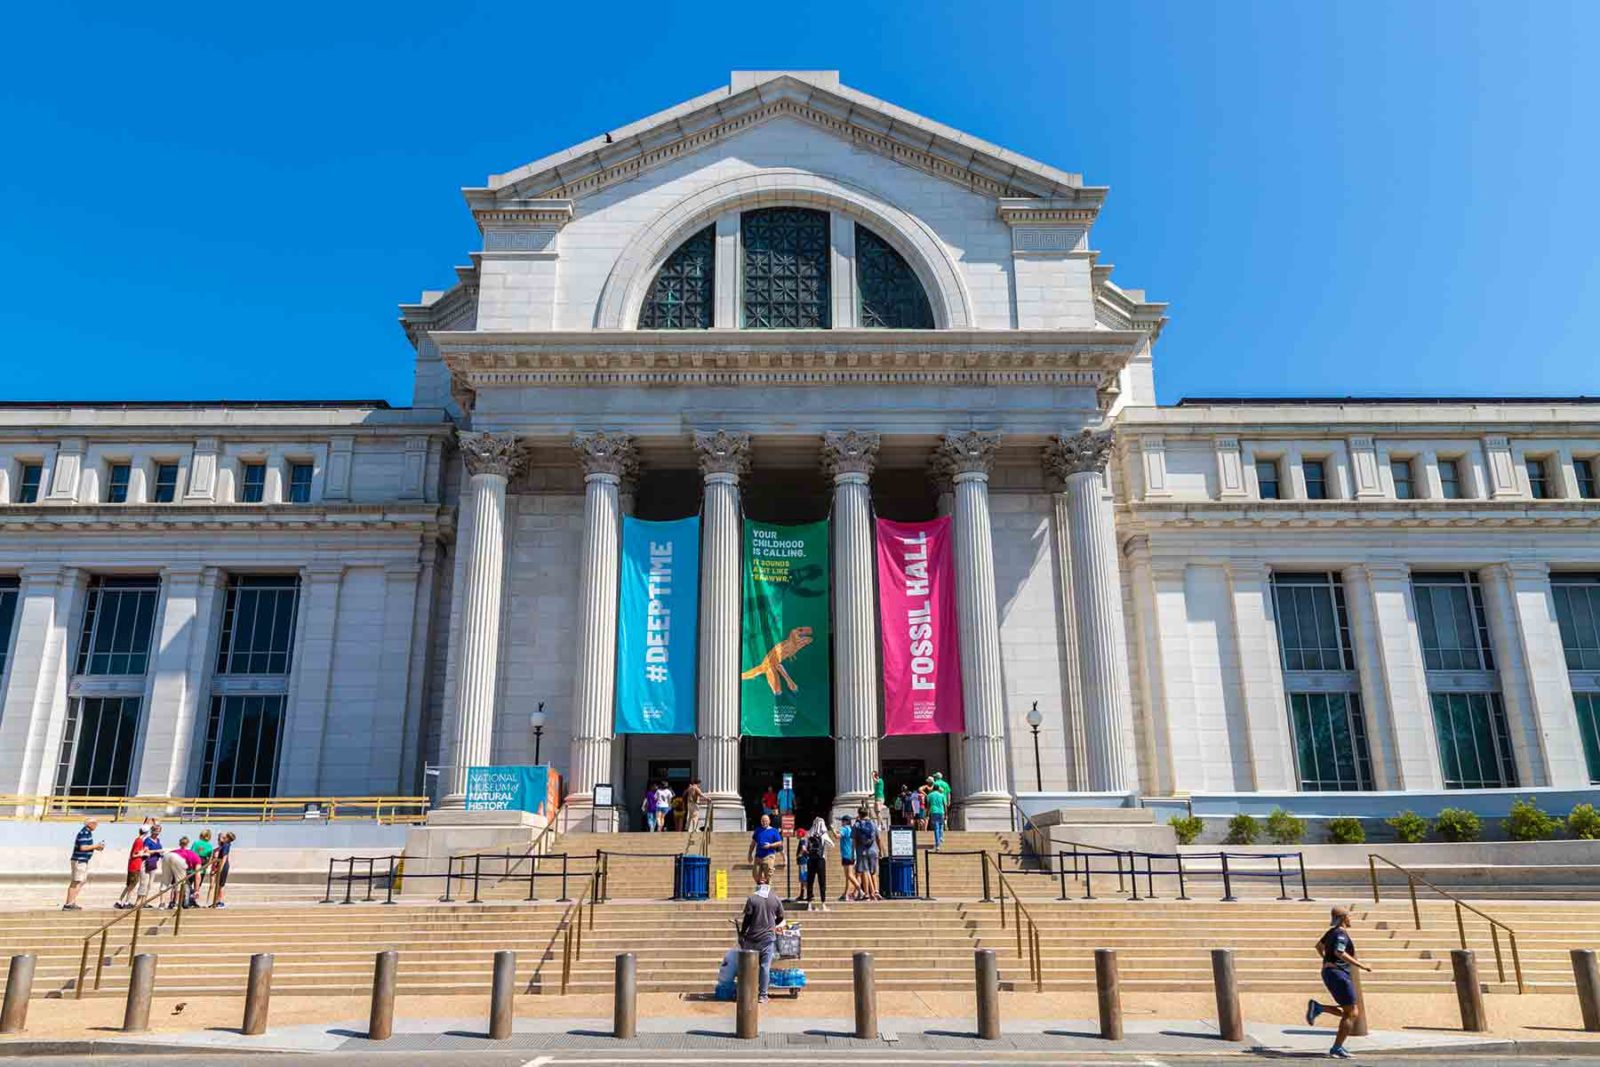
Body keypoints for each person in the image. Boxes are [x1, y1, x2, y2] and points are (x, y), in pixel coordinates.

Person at [1306, 905, 1373, 1059]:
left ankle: (1319, 1008)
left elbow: (1319, 946)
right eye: (1348, 916)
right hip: (1338, 974)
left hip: (1329, 972)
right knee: (1352, 1012)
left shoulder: (1331, 932)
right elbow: (1339, 952)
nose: (1350, 919)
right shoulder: (1341, 934)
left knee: (1349, 1011)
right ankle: (1337, 1048)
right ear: (1344, 918)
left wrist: (1326, 961)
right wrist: (1361, 965)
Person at [737, 881, 786, 1003]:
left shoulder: (752, 899)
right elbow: (781, 916)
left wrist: (742, 933)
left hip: (752, 938)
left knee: (748, 966)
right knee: (765, 967)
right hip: (767, 939)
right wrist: (773, 924)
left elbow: (747, 919)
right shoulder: (775, 898)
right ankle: (762, 995)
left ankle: (746, 992)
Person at [63, 818, 105, 910]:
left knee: (82, 881)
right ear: (90, 824)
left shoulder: (88, 833)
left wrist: (96, 848)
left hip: (84, 860)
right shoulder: (84, 833)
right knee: (76, 881)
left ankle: (72, 902)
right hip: (79, 860)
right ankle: (68, 904)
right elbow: (83, 847)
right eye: (95, 823)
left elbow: (86, 847)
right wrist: (96, 846)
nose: (96, 825)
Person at [115, 823, 151, 909]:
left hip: (133, 865)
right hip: (135, 865)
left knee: (129, 885)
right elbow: (134, 854)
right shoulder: (139, 841)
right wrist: (143, 853)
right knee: (132, 885)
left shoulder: (138, 840)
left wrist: (142, 851)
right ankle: (126, 902)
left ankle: (120, 901)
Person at [802, 816, 830, 910]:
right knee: (822, 882)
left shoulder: (809, 834)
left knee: (810, 881)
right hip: (820, 860)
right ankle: (823, 903)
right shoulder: (824, 834)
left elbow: (804, 846)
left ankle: (809, 903)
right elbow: (832, 844)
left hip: (810, 859)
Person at [853, 807, 882, 901]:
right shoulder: (873, 824)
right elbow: (878, 839)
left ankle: (866, 893)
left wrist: (853, 852)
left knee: (865, 871)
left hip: (862, 851)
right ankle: (876, 890)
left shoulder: (857, 825)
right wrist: (880, 850)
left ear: (859, 814)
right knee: (873, 871)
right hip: (873, 850)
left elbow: (854, 840)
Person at [748, 813, 784, 885]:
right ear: (761, 821)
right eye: (763, 821)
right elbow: (753, 844)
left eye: (766, 821)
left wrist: (770, 845)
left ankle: (767, 892)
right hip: (758, 856)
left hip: (769, 855)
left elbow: (780, 842)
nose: (764, 822)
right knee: (756, 875)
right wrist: (749, 854)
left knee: (768, 876)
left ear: (769, 821)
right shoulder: (758, 830)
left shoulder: (774, 831)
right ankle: (760, 890)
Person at [210, 832, 235, 907]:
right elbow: (220, 842)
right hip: (221, 865)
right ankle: (217, 901)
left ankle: (220, 901)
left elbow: (224, 858)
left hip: (223, 866)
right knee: (218, 885)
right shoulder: (224, 845)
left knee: (221, 885)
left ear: (228, 838)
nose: (224, 837)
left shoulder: (226, 845)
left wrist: (220, 868)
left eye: (225, 837)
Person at [836, 814, 858, 901]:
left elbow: (837, 836)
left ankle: (860, 890)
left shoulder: (844, 829)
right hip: (853, 854)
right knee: (848, 876)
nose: (841, 822)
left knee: (849, 875)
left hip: (846, 854)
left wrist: (833, 829)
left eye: (842, 821)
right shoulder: (852, 829)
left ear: (845, 822)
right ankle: (846, 894)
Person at [192, 829, 215, 900]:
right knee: (198, 884)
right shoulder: (210, 846)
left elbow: (192, 852)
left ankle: (188, 899)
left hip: (194, 862)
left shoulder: (196, 843)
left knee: (190, 882)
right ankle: (194, 899)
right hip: (203, 863)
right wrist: (208, 865)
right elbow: (210, 857)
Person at [926, 776, 948, 849]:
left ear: (932, 788)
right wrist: (946, 813)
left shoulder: (929, 795)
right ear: (938, 789)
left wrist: (927, 814)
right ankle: (941, 837)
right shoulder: (941, 795)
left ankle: (937, 844)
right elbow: (945, 805)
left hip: (934, 812)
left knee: (936, 828)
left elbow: (928, 806)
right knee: (941, 825)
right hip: (941, 812)